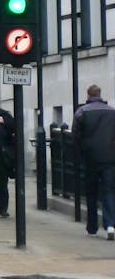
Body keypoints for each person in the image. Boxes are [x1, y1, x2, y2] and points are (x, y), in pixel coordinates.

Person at [72, 83, 115, 239]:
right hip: (110, 158)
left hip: (90, 158)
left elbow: (75, 136)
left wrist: (78, 155)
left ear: (88, 95)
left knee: (91, 192)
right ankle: (110, 225)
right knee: (109, 191)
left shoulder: (82, 112)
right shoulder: (112, 112)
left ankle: (92, 227)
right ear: (100, 94)